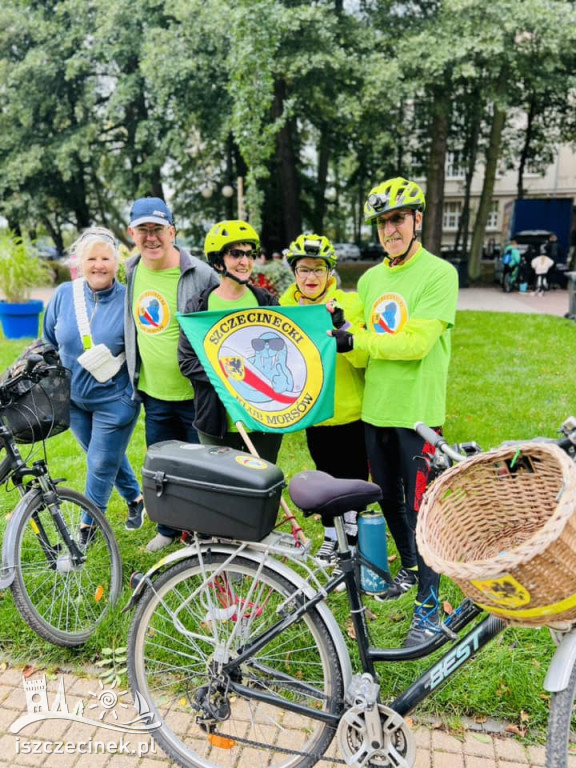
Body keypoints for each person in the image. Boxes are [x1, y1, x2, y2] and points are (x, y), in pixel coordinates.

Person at [331, 177, 459, 647]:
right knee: (386, 502)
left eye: (399, 219)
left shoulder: (439, 274)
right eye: (384, 223)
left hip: (418, 414)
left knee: (420, 510)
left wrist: (358, 337)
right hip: (376, 410)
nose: (391, 230)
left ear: (417, 220)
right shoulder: (368, 280)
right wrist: (342, 332)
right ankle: (409, 569)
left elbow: (416, 343)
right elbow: (363, 355)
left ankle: (428, 611)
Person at [125, 197, 219, 552]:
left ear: (173, 232)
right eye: (143, 230)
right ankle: (167, 528)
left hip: (195, 394)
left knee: (200, 469)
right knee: (161, 467)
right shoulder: (132, 271)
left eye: (158, 230)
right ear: (132, 233)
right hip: (154, 392)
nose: (151, 238)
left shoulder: (200, 274)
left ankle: (204, 533)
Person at [43, 227, 144, 539]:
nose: (99, 265)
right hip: (72, 400)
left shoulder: (130, 299)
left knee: (100, 463)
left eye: (105, 258)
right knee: (104, 455)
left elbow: (145, 349)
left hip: (115, 400)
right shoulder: (63, 295)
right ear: (79, 262)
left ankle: (87, 530)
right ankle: (136, 499)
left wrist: (131, 393)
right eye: (92, 258)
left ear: (116, 262)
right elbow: (47, 340)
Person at [279, 234, 367, 567]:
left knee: (353, 475)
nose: (311, 277)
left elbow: (362, 357)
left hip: (349, 409)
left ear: (331, 272)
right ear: (294, 272)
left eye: (319, 269)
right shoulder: (284, 307)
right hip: (314, 410)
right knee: (326, 476)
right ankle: (332, 536)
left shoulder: (350, 303)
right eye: (304, 269)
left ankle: (355, 536)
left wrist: (343, 324)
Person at [178, 220, 282, 462]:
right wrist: (233, 376)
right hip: (216, 422)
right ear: (217, 261)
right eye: (236, 254)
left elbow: (287, 349)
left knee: (263, 487)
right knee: (223, 492)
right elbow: (187, 362)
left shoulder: (267, 302)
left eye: (250, 254)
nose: (245, 262)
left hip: (264, 419)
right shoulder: (198, 308)